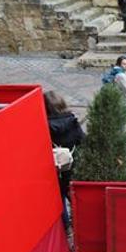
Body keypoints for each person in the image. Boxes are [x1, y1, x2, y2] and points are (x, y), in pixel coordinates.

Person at [44, 90, 85, 230]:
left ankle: (66, 228)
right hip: (71, 166)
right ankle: (80, 225)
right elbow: (82, 140)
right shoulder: (72, 121)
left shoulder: (44, 127)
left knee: (59, 199)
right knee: (73, 197)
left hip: (53, 170)